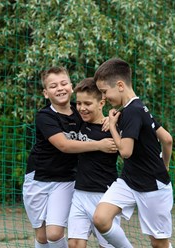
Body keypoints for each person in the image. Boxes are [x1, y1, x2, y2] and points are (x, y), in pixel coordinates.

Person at [22, 67, 117, 248]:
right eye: (53, 85)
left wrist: (109, 119)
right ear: (45, 92)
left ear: (71, 87)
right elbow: (64, 145)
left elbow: (97, 112)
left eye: (64, 83)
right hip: (38, 179)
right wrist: (99, 145)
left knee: (55, 233)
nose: (60, 88)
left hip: (65, 179)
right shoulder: (45, 116)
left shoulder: (80, 111)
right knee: (42, 237)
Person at [92, 58, 174, 248]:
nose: (104, 98)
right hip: (129, 181)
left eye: (105, 92)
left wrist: (113, 126)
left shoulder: (132, 112)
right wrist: (166, 166)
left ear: (120, 85)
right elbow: (167, 139)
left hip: (152, 186)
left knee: (158, 243)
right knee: (101, 218)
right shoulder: (139, 107)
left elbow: (126, 152)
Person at [67, 77, 120, 248]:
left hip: (105, 196)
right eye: (79, 103)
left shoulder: (113, 128)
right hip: (80, 193)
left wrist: (114, 120)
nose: (82, 108)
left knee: (107, 246)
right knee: (74, 243)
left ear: (101, 103)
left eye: (87, 104)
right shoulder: (79, 122)